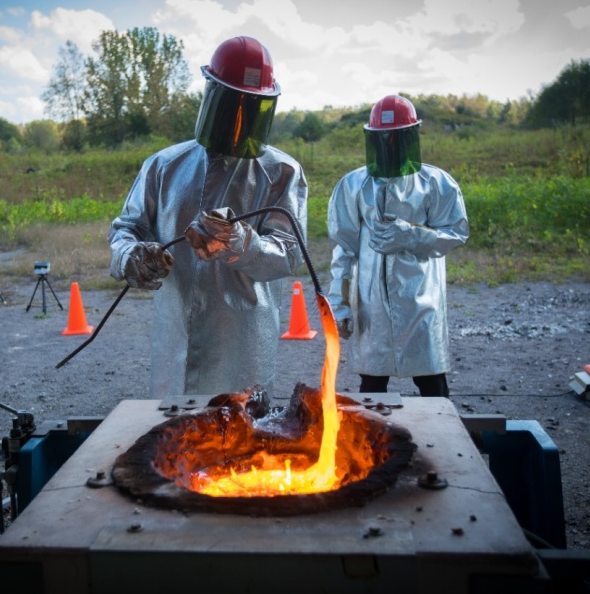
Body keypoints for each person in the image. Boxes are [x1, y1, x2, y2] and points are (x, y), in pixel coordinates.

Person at [107, 36, 308, 398]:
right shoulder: (165, 166)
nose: (238, 120)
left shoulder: (281, 172)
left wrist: (239, 241)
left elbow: (288, 255)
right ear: (211, 96)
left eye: (251, 109)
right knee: (173, 443)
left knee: (244, 441)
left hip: (244, 347)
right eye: (231, 105)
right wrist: (131, 256)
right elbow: (127, 230)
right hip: (175, 341)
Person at [327, 95, 469, 397]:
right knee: (373, 387)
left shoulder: (437, 184)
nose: (390, 147)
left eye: (396, 139)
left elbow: (456, 233)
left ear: (411, 137)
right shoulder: (354, 185)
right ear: (372, 140)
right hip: (372, 305)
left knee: (432, 384)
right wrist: (339, 305)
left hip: (421, 301)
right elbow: (344, 249)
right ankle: (371, 446)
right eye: (383, 140)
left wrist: (412, 235)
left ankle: (443, 441)